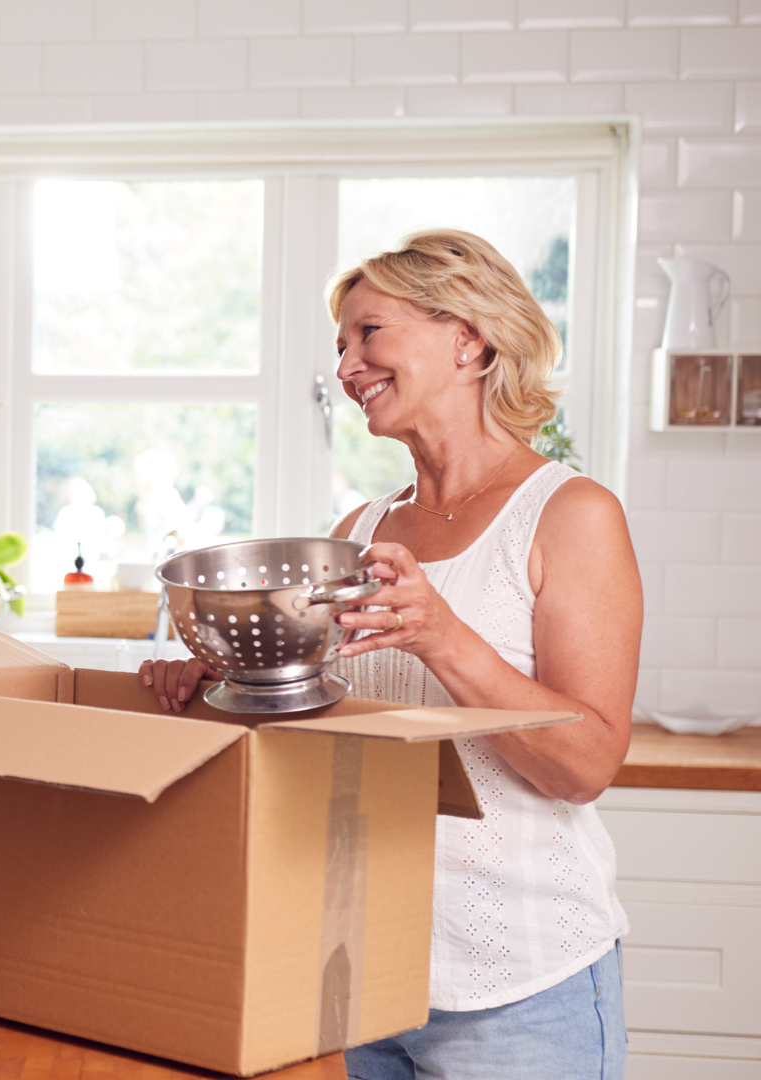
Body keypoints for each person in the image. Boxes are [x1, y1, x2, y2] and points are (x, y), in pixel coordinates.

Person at [140, 230, 640, 1080]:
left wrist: (443, 636)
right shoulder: (359, 533)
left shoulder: (570, 514)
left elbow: (585, 764)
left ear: (468, 338)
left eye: (369, 333)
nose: (346, 366)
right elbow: (329, 726)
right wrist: (222, 676)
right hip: (362, 972)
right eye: (340, 345)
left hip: (523, 988)